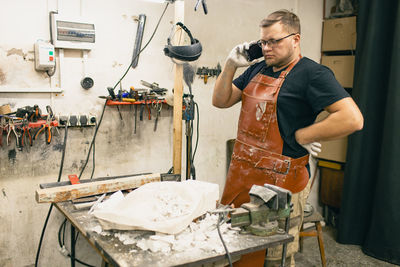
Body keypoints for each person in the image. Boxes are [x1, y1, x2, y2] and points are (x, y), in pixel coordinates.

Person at [212, 9, 363, 267]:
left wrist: (304, 134)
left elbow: (352, 118)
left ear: (296, 39)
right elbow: (220, 101)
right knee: (234, 250)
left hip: (279, 186)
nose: (267, 48)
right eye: (263, 42)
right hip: (241, 177)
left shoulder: (313, 74)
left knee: (273, 257)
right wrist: (229, 64)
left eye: (274, 41)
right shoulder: (257, 68)